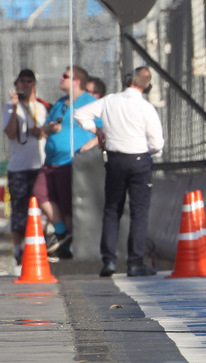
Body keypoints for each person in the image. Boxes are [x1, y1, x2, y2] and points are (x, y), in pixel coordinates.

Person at [74, 67, 164, 277]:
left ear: (127, 80)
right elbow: (157, 144)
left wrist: (97, 130)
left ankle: (109, 261)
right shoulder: (146, 107)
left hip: (115, 160)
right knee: (139, 212)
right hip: (139, 160)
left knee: (112, 209)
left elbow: (80, 114)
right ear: (147, 86)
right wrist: (147, 151)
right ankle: (134, 263)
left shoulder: (110, 101)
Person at [35, 65, 98, 260]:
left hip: (69, 162)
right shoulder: (60, 103)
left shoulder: (90, 102)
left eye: (66, 76)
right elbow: (43, 130)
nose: (61, 79)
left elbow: (103, 129)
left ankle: (70, 245)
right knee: (40, 192)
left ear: (76, 81)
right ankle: (61, 233)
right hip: (51, 161)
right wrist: (49, 128)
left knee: (66, 204)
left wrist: (88, 146)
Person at [4, 69, 47, 269]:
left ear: (34, 84)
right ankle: (19, 248)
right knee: (19, 208)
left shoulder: (41, 107)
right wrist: (14, 108)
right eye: (21, 81)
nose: (25, 85)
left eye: (29, 81)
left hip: (39, 165)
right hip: (19, 167)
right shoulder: (9, 108)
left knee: (40, 207)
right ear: (16, 84)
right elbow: (11, 134)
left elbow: (46, 134)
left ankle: (40, 245)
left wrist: (42, 131)